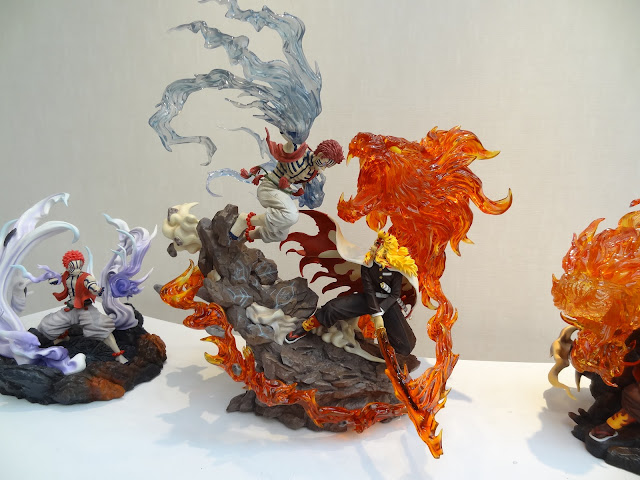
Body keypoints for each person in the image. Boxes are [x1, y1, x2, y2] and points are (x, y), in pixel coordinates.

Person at [285, 231, 418, 356]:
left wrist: (381, 311)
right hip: (369, 299)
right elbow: (369, 290)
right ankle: (304, 328)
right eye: (376, 244)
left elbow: (395, 295)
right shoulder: (368, 264)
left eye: (379, 245)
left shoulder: (396, 269)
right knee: (332, 308)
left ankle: (390, 353)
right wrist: (376, 313)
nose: (374, 247)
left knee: (405, 345)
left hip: (388, 304)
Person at [230, 130, 344, 243]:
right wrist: (291, 130)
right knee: (291, 216)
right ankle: (246, 220)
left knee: (280, 234)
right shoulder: (299, 152)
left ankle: (247, 236)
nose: (323, 169)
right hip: (269, 187)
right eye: (324, 164)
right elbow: (289, 137)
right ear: (320, 155)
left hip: (282, 192)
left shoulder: (313, 171)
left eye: (327, 167)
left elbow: (308, 188)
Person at [37, 250, 127, 363]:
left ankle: (118, 355)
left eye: (79, 266)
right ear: (67, 266)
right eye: (72, 267)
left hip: (85, 310)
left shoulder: (86, 277)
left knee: (101, 327)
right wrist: (51, 279)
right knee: (49, 324)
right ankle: (60, 340)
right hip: (71, 309)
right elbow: (57, 279)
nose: (76, 269)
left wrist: (96, 290)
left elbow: (92, 286)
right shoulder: (65, 275)